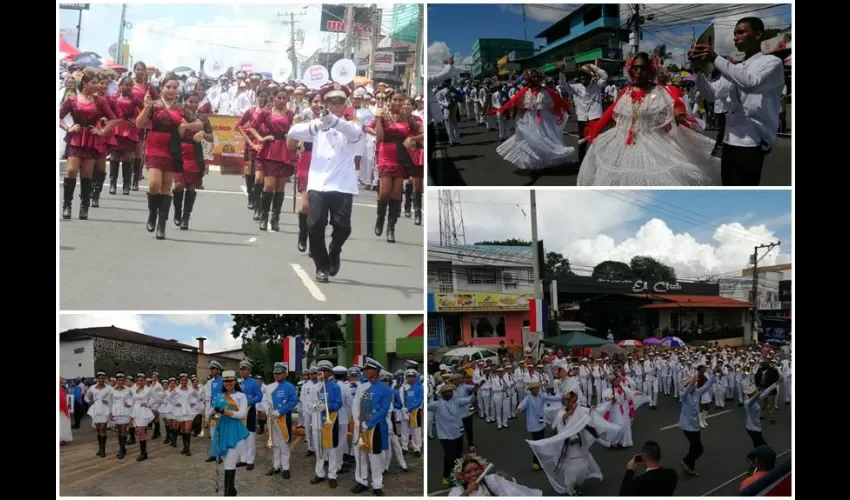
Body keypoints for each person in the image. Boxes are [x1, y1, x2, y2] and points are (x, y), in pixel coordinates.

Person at [690, 17, 785, 186]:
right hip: (730, 140)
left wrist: (716, 59)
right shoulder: (736, 67)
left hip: (753, 142)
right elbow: (712, 93)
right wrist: (697, 71)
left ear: (758, 34)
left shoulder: (772, 62)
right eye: (734, 33)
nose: (735, 37)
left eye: (741, 32)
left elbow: (750, 83)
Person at [213, 370, 251, 496]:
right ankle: (232, 491)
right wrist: (213, 414)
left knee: (229, 464)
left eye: (230, 381)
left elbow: (241, 414)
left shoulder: (241, 396)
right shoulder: (219, 396)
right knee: (226, 463)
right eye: (225, 381)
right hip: (221, 431)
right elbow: (211, 413)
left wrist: (225, 412)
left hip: (235, 432)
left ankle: (228, 494)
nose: (228, 383)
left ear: (235, 381)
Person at [448, 454, 543, 496]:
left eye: (476, 469)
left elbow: (513, 490)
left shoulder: (490, 480)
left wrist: (506, 477)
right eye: (468, 472)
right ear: (461, 475)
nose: (473, 474)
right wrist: (468, 491)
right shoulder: (458, 490)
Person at [677, 372, 715, 476]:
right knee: (699, 449)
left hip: (695, 426)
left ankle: (690, 467)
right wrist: (690, 383)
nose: (695, 386)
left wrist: (714, 374)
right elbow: (685, 393)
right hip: (687, 426)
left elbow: (707, 386)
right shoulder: (683, 395)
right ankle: (685, 460)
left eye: (695, 385)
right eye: (693, 385)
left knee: (694, 447)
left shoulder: (697, 393)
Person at [743, 381, 779, 448]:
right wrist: (757, 394)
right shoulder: (747, 403)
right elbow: (752, 400)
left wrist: (774, 384)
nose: (755, 391)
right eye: (754, 391)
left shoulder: (757, 399)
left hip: (756, 427)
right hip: (752, 428)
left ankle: (754, 457)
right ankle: (756, 456)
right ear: (751, 394)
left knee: (757, 444)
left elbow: (765, 393)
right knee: (763, 445)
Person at [754, 359, 780, 424]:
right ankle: (761, 415)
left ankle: (772, 418)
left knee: (771, 404)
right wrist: (757, 387)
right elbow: (756, 378)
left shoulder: (774, 370)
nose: (763, 366)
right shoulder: (759, 370)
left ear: (768, 365)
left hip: (770, 389)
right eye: (763, 365)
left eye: (765, 365)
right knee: (762, 403)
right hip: (762, 389)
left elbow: (776, 379)